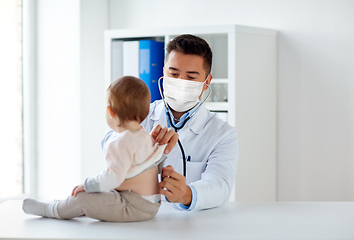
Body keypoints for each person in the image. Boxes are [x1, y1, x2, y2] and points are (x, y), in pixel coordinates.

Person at [104, 34, 239, 211]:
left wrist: (187, 194)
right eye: (173, 73)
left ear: (207, 83)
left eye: (191, 77)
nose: (181, 82)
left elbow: (220, 185)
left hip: (191, 226)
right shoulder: (140, 114)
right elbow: (108, 146)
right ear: (163, 72)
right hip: (135, 215)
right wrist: (142, 143)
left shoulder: (223, 134)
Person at [22, 76, 176, 222]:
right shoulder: (145, 136)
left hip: (134, 205)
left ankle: (51, 209)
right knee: (99, 195)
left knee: (83, 198)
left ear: (110, 112)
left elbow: (112, 178)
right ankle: (66, 205)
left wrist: (87, 185)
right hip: (150, 204)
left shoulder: (120, 143)